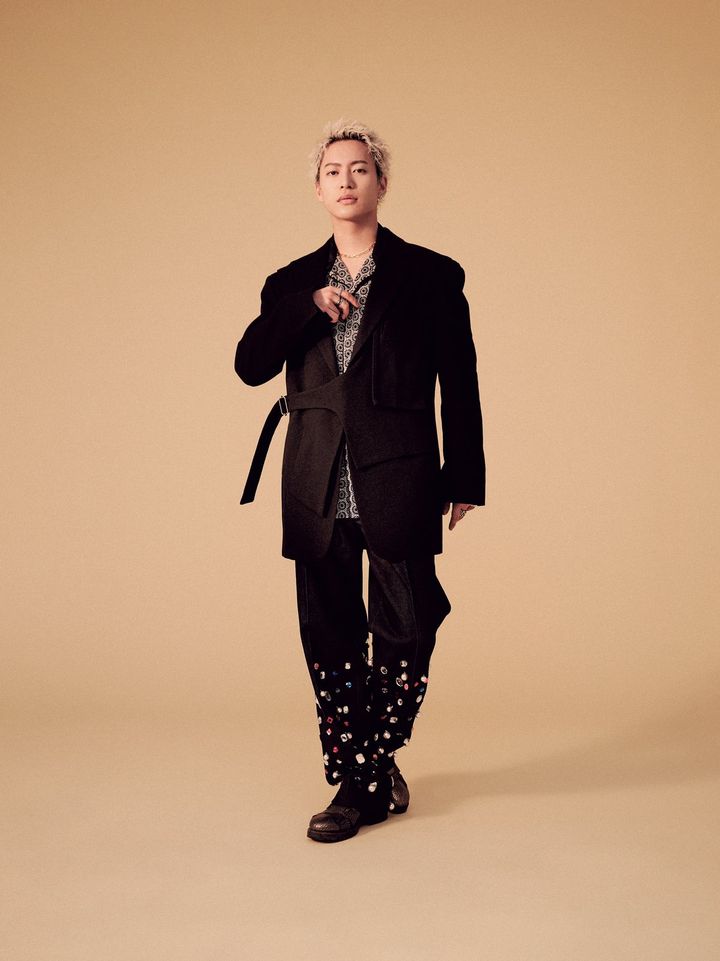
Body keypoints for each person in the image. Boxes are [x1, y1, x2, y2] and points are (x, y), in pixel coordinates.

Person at [234, 119, 485, 843]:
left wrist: (465, 474)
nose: (346, 181)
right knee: (330, 632)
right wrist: (305, 308)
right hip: (315, 477)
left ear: (382, 182)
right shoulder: (289, 283)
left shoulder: (431, 275)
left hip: (401, 469)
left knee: (408, 626)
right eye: (333, 172)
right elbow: (250, 365)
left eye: (360, 169)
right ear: (317, 190)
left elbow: (459, 379)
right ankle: (361, 782)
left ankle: (369, 762)